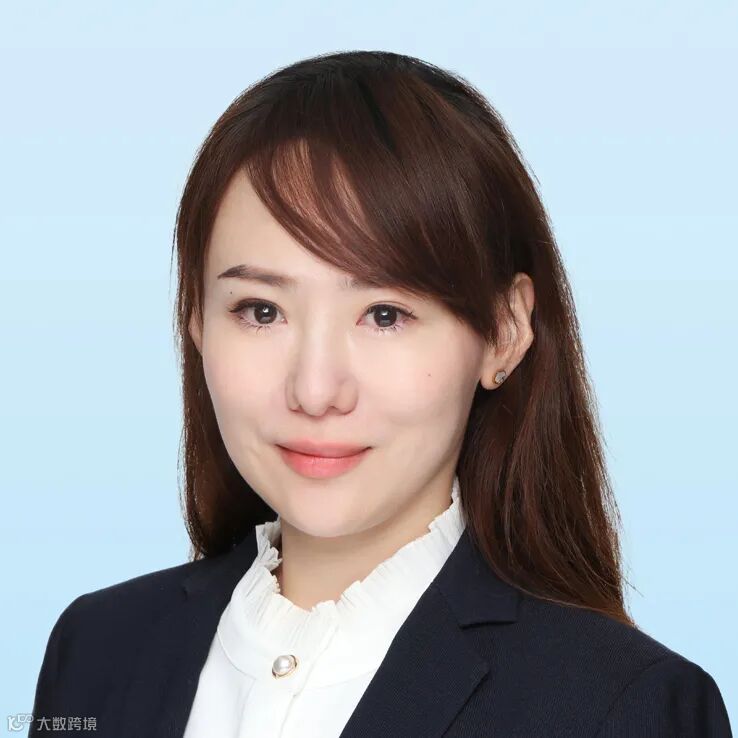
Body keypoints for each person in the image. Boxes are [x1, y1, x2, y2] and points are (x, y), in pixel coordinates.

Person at [29, 50, 732, 737]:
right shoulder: (96, 651)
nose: (315, 391)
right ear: (196, 320)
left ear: (505, 332)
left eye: (385, 314)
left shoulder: (621, 708)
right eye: (261, 311)